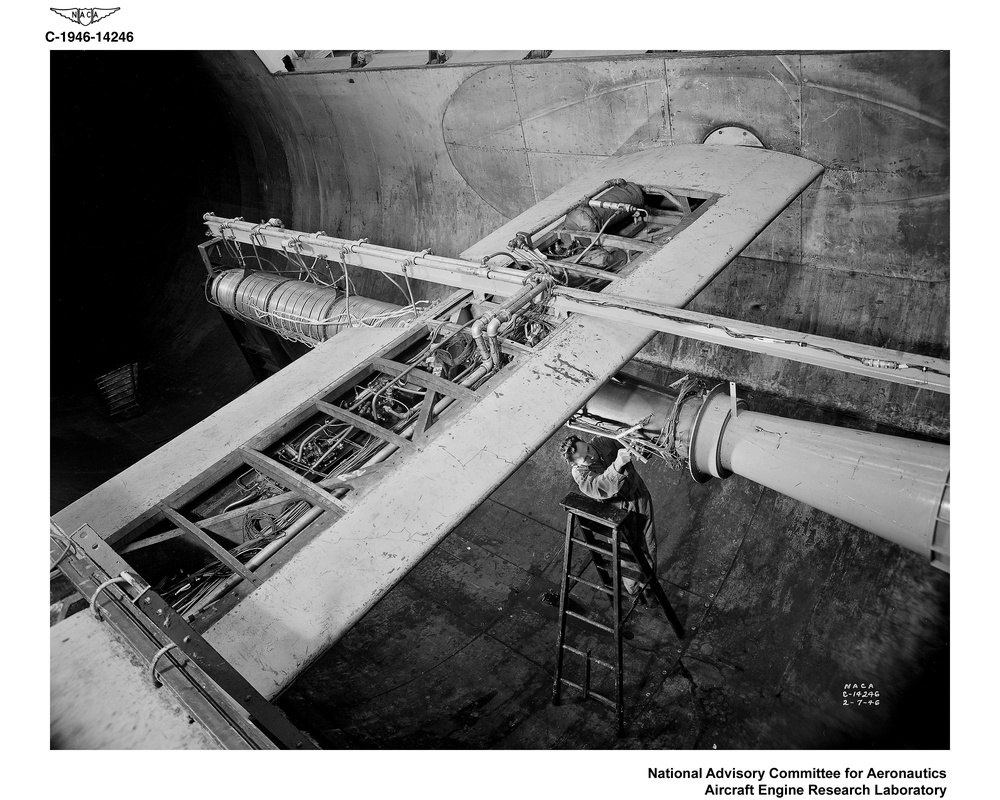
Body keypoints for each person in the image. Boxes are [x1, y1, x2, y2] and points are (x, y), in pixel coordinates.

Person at [559, 434, 657, 600]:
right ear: (576, 464)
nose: (592, 456)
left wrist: (639, 446)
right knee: (629, 558)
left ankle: (651, 588)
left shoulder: (602, 441)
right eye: (586, 458)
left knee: (650, 546)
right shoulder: (580, 474)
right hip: (619, 515)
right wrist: (617, 464)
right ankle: (636, 593)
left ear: (586, 441)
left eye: (588, 449)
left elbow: (630, 440)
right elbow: (599, 487)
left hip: (639, 497)